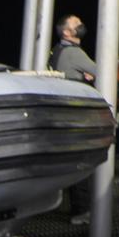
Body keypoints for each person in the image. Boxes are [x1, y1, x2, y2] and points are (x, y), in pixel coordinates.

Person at [49, 14, 96, 225]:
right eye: (77, 24)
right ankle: (81, 210)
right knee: (82, 162)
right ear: (67, 32)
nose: (81, 25)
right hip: (74, 115)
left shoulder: (57, 50)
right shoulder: (74, 53)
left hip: (59, 112)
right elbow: (100, 71)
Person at [49, 14, 96, 84]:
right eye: (76, 23)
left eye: (80, 22)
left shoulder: (58, 48)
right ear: (66, 32)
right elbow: (102, 72)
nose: (80, 24)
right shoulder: (72, 52)